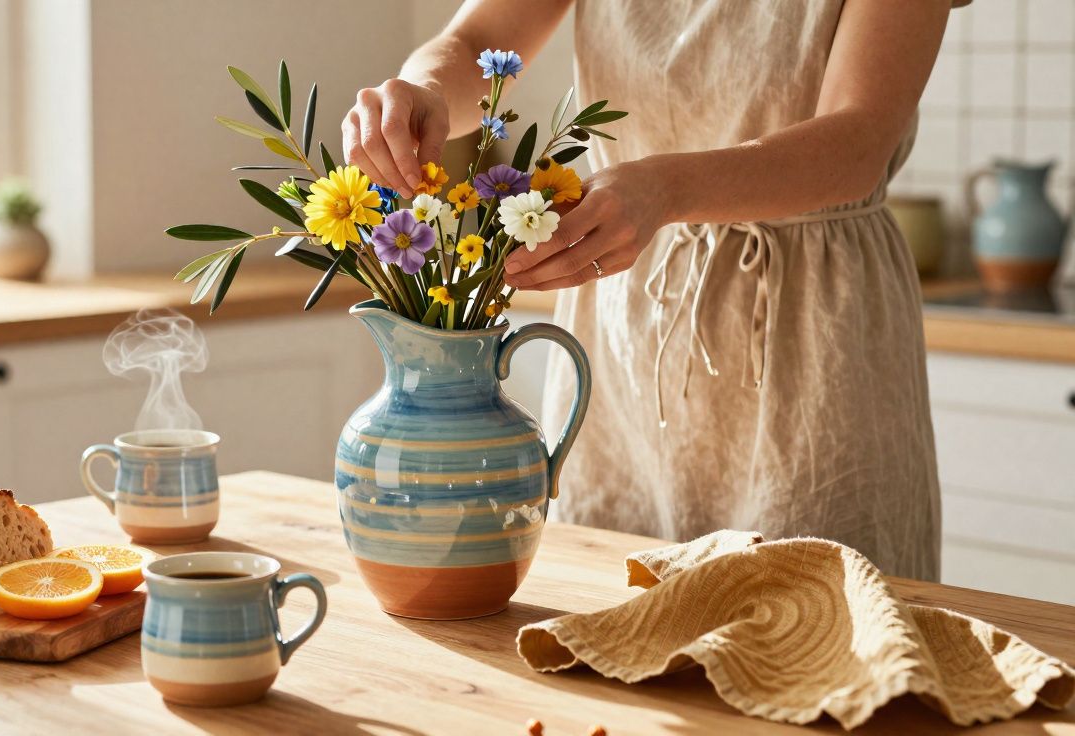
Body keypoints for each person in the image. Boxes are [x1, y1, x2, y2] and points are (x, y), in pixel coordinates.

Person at [342, 0, 963, 581]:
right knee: (610, 619)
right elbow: (476, 41)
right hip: (624, 327)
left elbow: (859, 139)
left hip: (812, 332)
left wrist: (665, 191)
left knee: (825, 620)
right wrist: (422, 88)